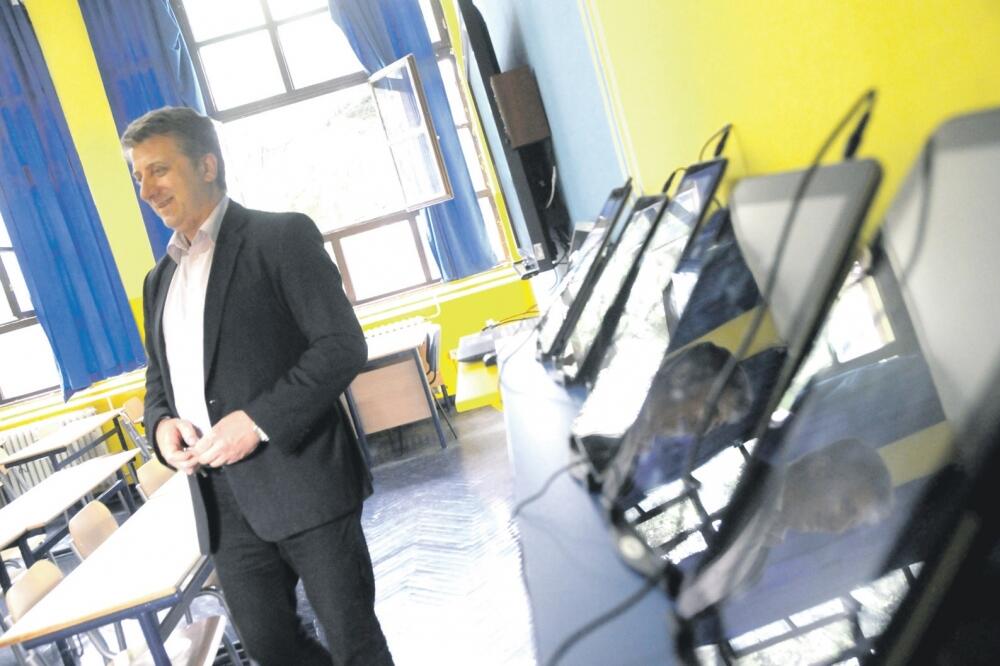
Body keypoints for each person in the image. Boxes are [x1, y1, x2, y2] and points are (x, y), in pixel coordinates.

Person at [124, 106, 393, 665]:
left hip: (304, 481)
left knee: (354, 645)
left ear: (206, 165)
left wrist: (258, 420)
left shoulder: (281, 236)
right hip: (220, 503)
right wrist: (161, 424)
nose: (147, 190)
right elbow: (159, 380)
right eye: (138, 176)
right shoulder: (157, 281)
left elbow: (341, 346)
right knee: (273, 651)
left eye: (159, 170)